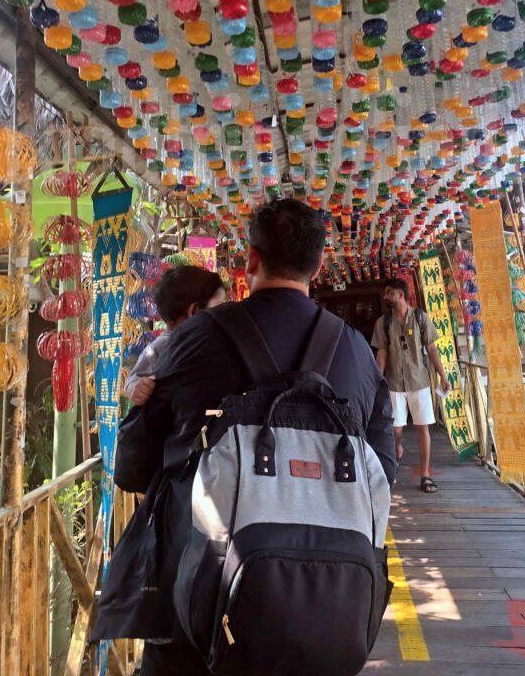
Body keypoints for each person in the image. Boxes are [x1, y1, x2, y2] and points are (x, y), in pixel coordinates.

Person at [93, 199, 395, 676]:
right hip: (331, 602)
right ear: (318, 263)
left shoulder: (192, 339)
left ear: (251, 259)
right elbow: (384, 469)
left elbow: (132, 467)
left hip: (198, 593)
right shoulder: (356, 351)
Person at [372, 277, 450, 494]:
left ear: (401, 294)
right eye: (385, 293)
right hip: (394, 382)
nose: (386, 297)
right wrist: (378, 380)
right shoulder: (383, 323)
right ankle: (397, 449)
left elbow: (432, 348)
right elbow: (382, 353)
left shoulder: (420, 318)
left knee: (422, 427)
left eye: (389, 292)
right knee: (394, 429)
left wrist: (443, 376)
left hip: (419, 382)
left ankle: (425, 475)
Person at [124, 265, 227, 406]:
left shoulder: (210, 341)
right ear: (194, 311)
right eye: (219, 305)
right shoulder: (162, 346)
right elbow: (133, 378)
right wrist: (136, 388)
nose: (224, 311)